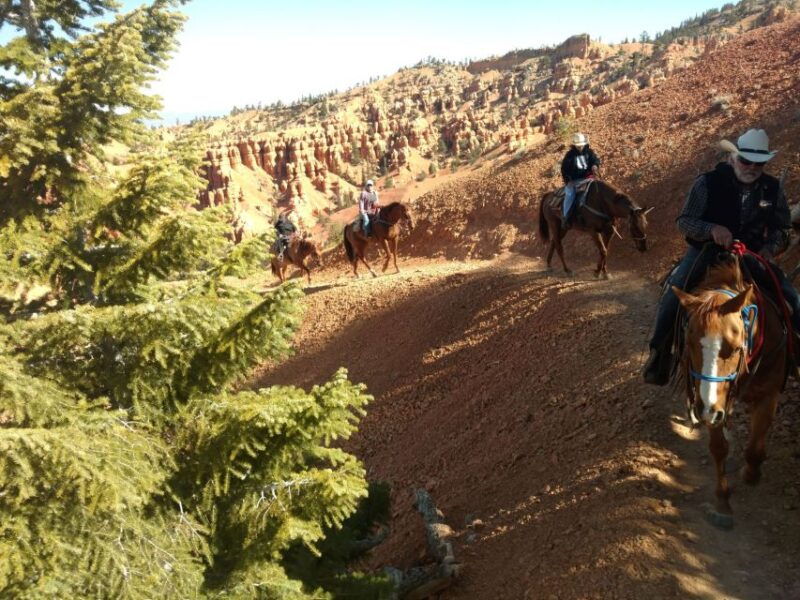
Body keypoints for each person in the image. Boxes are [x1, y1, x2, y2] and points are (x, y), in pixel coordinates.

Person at [643, 127, 799, 385]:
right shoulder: (707, 182)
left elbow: (783, 229)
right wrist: (711, 229)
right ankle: (660, 357)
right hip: (705, 253)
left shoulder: (772, 189)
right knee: (673, 297)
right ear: (732, 158)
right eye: (745, 160)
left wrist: (770, 249)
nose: (751, 167)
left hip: (752, 256)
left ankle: (793, 355)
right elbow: (684, 222)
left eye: (758, 163)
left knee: (791, 297)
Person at [560, 132, 601, 228]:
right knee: (569, 194)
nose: (580, 147)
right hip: (575, 180)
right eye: (578, 146)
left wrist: (595, 166)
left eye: (581, 145)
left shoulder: (589, 152)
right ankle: (565, 217)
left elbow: (595, 160)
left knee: (601, 188)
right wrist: (568, 180)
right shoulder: (570, 155)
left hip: (589, 178)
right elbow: (564, 169)